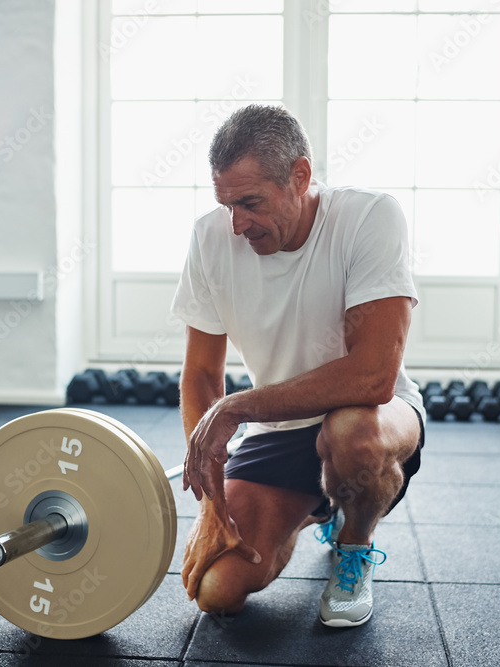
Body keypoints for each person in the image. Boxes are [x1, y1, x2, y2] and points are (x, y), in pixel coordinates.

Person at [171, 104, 425, 627]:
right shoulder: (210, 237)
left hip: (376, 416)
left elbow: (374, 374)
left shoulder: (369, 217)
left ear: (300, 176)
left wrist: (237, 406)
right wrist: (213, 503)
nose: (238, 224)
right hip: (279, 430)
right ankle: (320, 503)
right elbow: (200, 374)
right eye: (227, 205)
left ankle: (354, 546)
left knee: (352, 434)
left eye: (251, 202)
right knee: (216, 590)